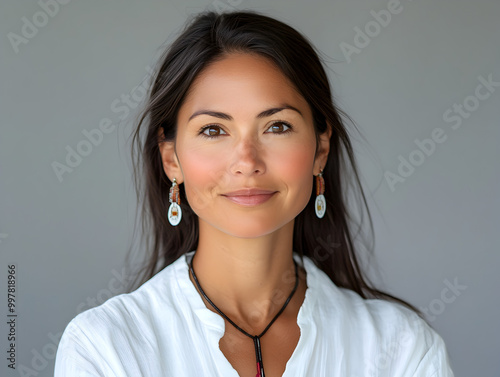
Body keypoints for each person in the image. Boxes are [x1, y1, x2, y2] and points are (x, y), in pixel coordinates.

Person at [54, 10, 455, 377]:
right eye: (214, 130)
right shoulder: (104, 348)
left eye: (277, 126)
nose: (247, 161)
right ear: (171, 159)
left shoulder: (402, 350)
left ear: (320, 149)